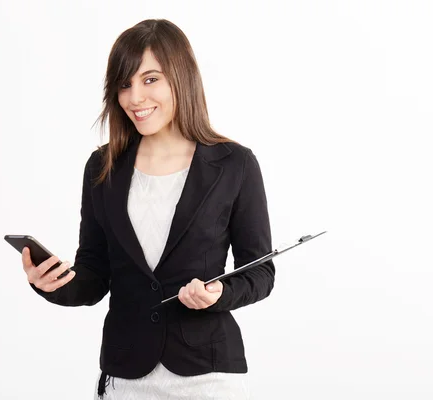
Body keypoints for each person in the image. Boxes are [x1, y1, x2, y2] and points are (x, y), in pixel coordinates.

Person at [21, 19, 275, 400]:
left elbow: (261, 272)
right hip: (125, 378)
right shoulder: (102, 167)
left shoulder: (234, 164)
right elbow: (94, 273)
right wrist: (52, 283)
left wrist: (218, 293)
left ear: (181, 77)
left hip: (209, 379)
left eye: (150, 79)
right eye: (124, 84)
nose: (135, 98)